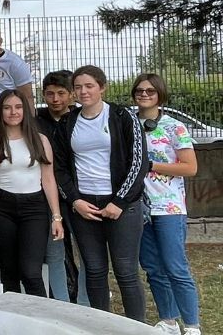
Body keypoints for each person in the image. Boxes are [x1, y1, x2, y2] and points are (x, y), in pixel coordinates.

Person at [54, 65, 148, 321]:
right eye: (78, 87)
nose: (83, 92)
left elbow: (138, 162)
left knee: (126, 271)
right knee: (94, 270)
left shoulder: (122, 116)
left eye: (89, 86)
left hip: (122, 207)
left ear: (102, 87)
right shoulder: (67, 122)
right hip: (85, 207)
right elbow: (60, 168)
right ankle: (101, 326)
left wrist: (119, 201)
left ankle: (136, 327)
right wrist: (75, 200)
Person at [132, 73, 201, 335]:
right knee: (152, 267)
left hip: (168, 208)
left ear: (160, 94)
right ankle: (169, 320)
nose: (144, 95)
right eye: (139, 90)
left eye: (150, 91)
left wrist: (150, 165)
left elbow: (190, 167)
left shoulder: (175, 127)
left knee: (175, 266)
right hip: (138, 207)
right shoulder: (129, 124)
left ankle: (192, 324)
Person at [0, 90, 63, 296]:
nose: (13, 112)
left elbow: (49, 179)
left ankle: (41, 322)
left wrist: (56, 217)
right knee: (9, 272)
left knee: (31, 272)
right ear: (0, 112)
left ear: (25, 110)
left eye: (18, 107)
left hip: (34, 208)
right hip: (2, 208)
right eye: (7, 108)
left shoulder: (40, 140)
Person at [35, 70, 86, 305]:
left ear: (72, 95)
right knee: (55, 252)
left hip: (79, 194)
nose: (55, 99)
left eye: (61, 93)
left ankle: (86, 302)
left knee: (86, 253)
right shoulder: (36, 120)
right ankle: (62, 303)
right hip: (48, 196)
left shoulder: (81, 118)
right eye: (50, 93)